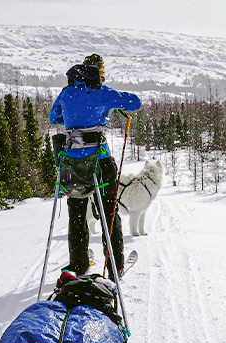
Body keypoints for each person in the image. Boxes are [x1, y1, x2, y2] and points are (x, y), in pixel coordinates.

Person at [49, 54, 141, 280]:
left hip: (72, 163)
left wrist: (74, 115)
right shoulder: (101, 93)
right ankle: (115, 265)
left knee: (77, 213)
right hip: (99, 161)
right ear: (97, 74)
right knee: (109, 212)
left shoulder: (67, 92)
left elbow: (54, 117)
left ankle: (79, 265)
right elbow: (135, 102)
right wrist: (104, 104)